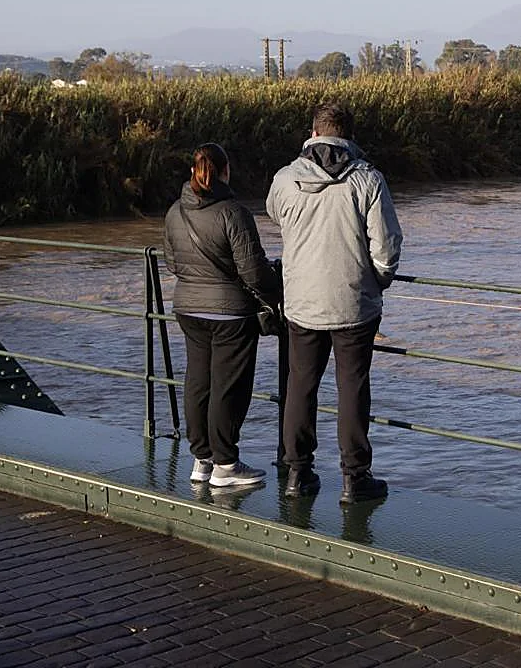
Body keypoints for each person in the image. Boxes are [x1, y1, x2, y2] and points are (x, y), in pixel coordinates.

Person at [267, 104, 403, 504]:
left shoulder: (285, 179)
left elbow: (277, 216)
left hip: (302, 302)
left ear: (313, 133)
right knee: (352, 389)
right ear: (349, 136)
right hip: (354, 304)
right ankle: (354, 479)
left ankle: (297, 473)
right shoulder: (368, 180)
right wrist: (376, 280)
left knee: (301, 386)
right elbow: (387, 246)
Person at [163, 143, 280, 487]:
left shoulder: (174, 212)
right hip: (230, 315)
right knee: (228, 387)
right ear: (226, 171)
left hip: (188, 308)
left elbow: (172, 262)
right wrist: (277, 295)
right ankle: (226, 464)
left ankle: (202, 460)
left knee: (198, 382)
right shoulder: (233, 212)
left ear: (192, 172)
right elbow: (254, 271)